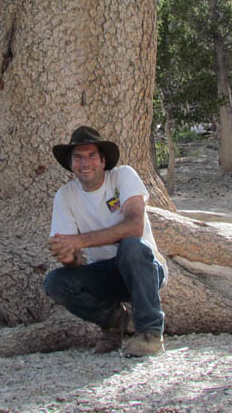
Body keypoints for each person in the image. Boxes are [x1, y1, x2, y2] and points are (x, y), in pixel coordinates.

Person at [44, 126, 168, 356]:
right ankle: (114, 323)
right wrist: (67, 255)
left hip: (144, 267)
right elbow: (75, 259)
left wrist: (79, 240)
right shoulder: (65, 195)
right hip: (106, 274)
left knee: (131, 246)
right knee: (55, 283)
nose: (85, 163)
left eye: (92, 155)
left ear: (103, 160)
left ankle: (150, 334)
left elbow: (134, 227)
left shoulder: (123, 176)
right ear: (71, 164)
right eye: (78, 157)